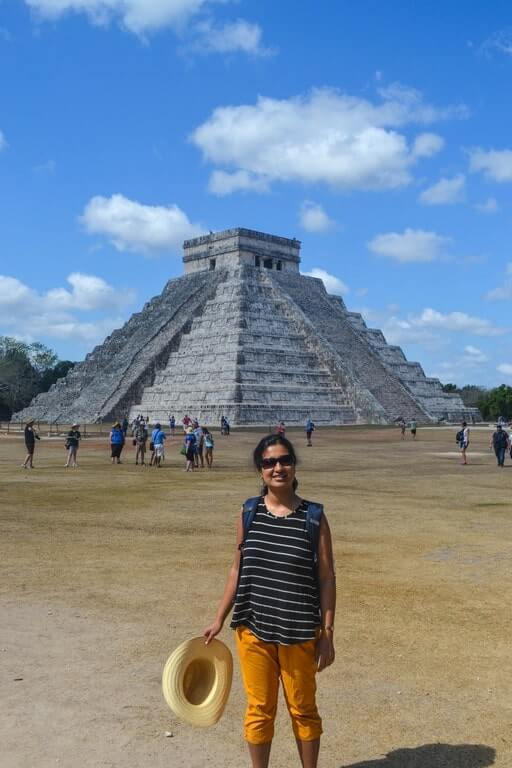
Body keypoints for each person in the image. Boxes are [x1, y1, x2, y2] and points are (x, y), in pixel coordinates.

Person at [203, 434, 336, 768]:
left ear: (293, 465)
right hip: (253, 628)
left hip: (300, 630)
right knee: (259, 710)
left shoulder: (314, 517)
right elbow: (238, 568)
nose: (278, 468)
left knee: (303, 709)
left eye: (284, 460)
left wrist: (328, 635)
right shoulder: (249, 512)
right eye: (269, 462)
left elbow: (326, 577)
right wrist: (219, 617)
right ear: (260, 470)